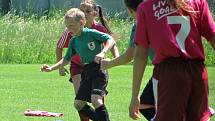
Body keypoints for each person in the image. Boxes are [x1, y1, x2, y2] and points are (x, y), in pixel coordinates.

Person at [127, 0, 215, 120]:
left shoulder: (146, 7)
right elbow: (212, 36)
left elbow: (140, 54)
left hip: (169, 74)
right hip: (198, 72)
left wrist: (135, 96)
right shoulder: (197, 2)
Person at [41, 8, 114, 121]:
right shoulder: (73, 41)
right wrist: (51, 68)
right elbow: (65, 60)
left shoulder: (91, 33)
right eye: (67, 26)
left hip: (99, 69)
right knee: (78, 104)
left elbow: (110, 39)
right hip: (87, 71)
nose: (68, 29)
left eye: (70, 26)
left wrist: (103, 52)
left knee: (96, 99)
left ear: (81, 23)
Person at [100, 0, 156, 120]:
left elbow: (132, 56)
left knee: (148, 106)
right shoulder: (161, 16)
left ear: (129, 10)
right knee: (146, 105)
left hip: (165, 70)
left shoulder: (140, 24)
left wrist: (109, 63)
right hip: (193, 66)